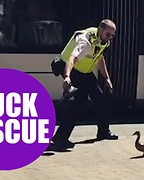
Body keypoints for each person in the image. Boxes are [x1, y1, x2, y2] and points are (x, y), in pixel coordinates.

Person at [51, 19, 119, 149]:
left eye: (112, 35)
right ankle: (60, 138)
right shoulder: (86, 42)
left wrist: (107, 79)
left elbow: (99, 58)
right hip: (68, 67)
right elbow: (72, 58)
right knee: (80, 103)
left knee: (100, 98)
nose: (110, 38)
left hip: (84, 72)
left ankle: (103, 131)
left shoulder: (104, 41)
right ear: (100, 30)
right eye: (108, 34)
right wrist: (67, 77)